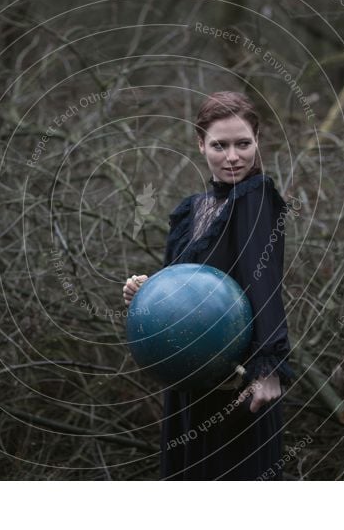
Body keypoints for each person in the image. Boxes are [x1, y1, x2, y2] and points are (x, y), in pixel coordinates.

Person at [122, 91, 296, 480]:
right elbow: (180, 284)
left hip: (235, 381)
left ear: (258, 142)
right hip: (187, 376)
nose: (233, 156)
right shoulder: (191, 210)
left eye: (243, 144)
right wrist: (146, 293)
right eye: (220, 145)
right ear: (200, 144)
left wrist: (268, 367)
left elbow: (263, 280)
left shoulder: (257, 197)